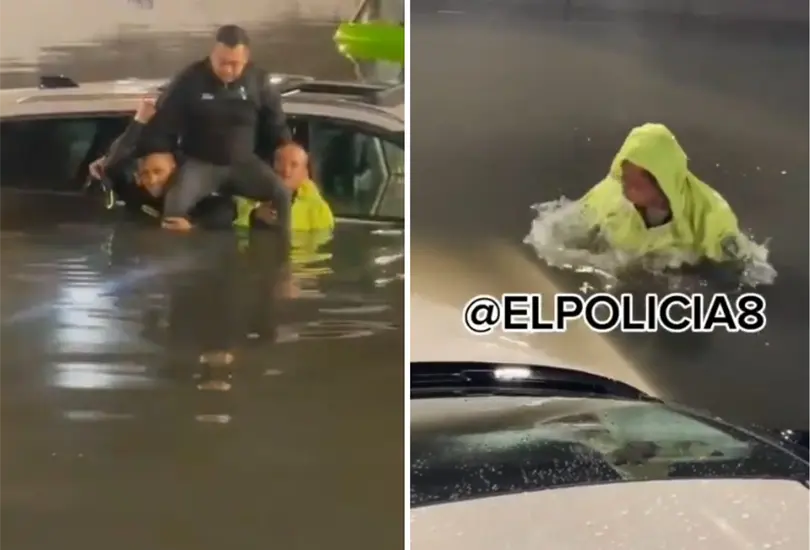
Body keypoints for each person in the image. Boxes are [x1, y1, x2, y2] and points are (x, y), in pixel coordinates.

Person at [142, 24, 293, 233]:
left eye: (235, 64)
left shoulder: (258, 81)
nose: (228, 70)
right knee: (174, 207)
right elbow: (163, 123)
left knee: (282, 194)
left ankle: (283, 255)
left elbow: (276, 123)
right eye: (222, 63)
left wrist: (287, 151)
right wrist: (161, 154)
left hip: (244, 164)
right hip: (201, 163)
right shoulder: (189, 79)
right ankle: (175, 257)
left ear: (246, 58)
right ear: (212, 54)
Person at [578, 123, 746, 270]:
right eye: (625, 177)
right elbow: (573, 226)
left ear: (661, 183)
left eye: (635, 183)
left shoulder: (711, 215)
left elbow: (738, 264)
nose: (625, 186)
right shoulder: (609, 196)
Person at [234, 142, 335, 232]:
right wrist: (254, 217)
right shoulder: (249, 194)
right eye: (280, 162)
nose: (286, 171)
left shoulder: (319, 209)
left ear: (305, 173)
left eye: (294, 165)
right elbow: (231, 229)